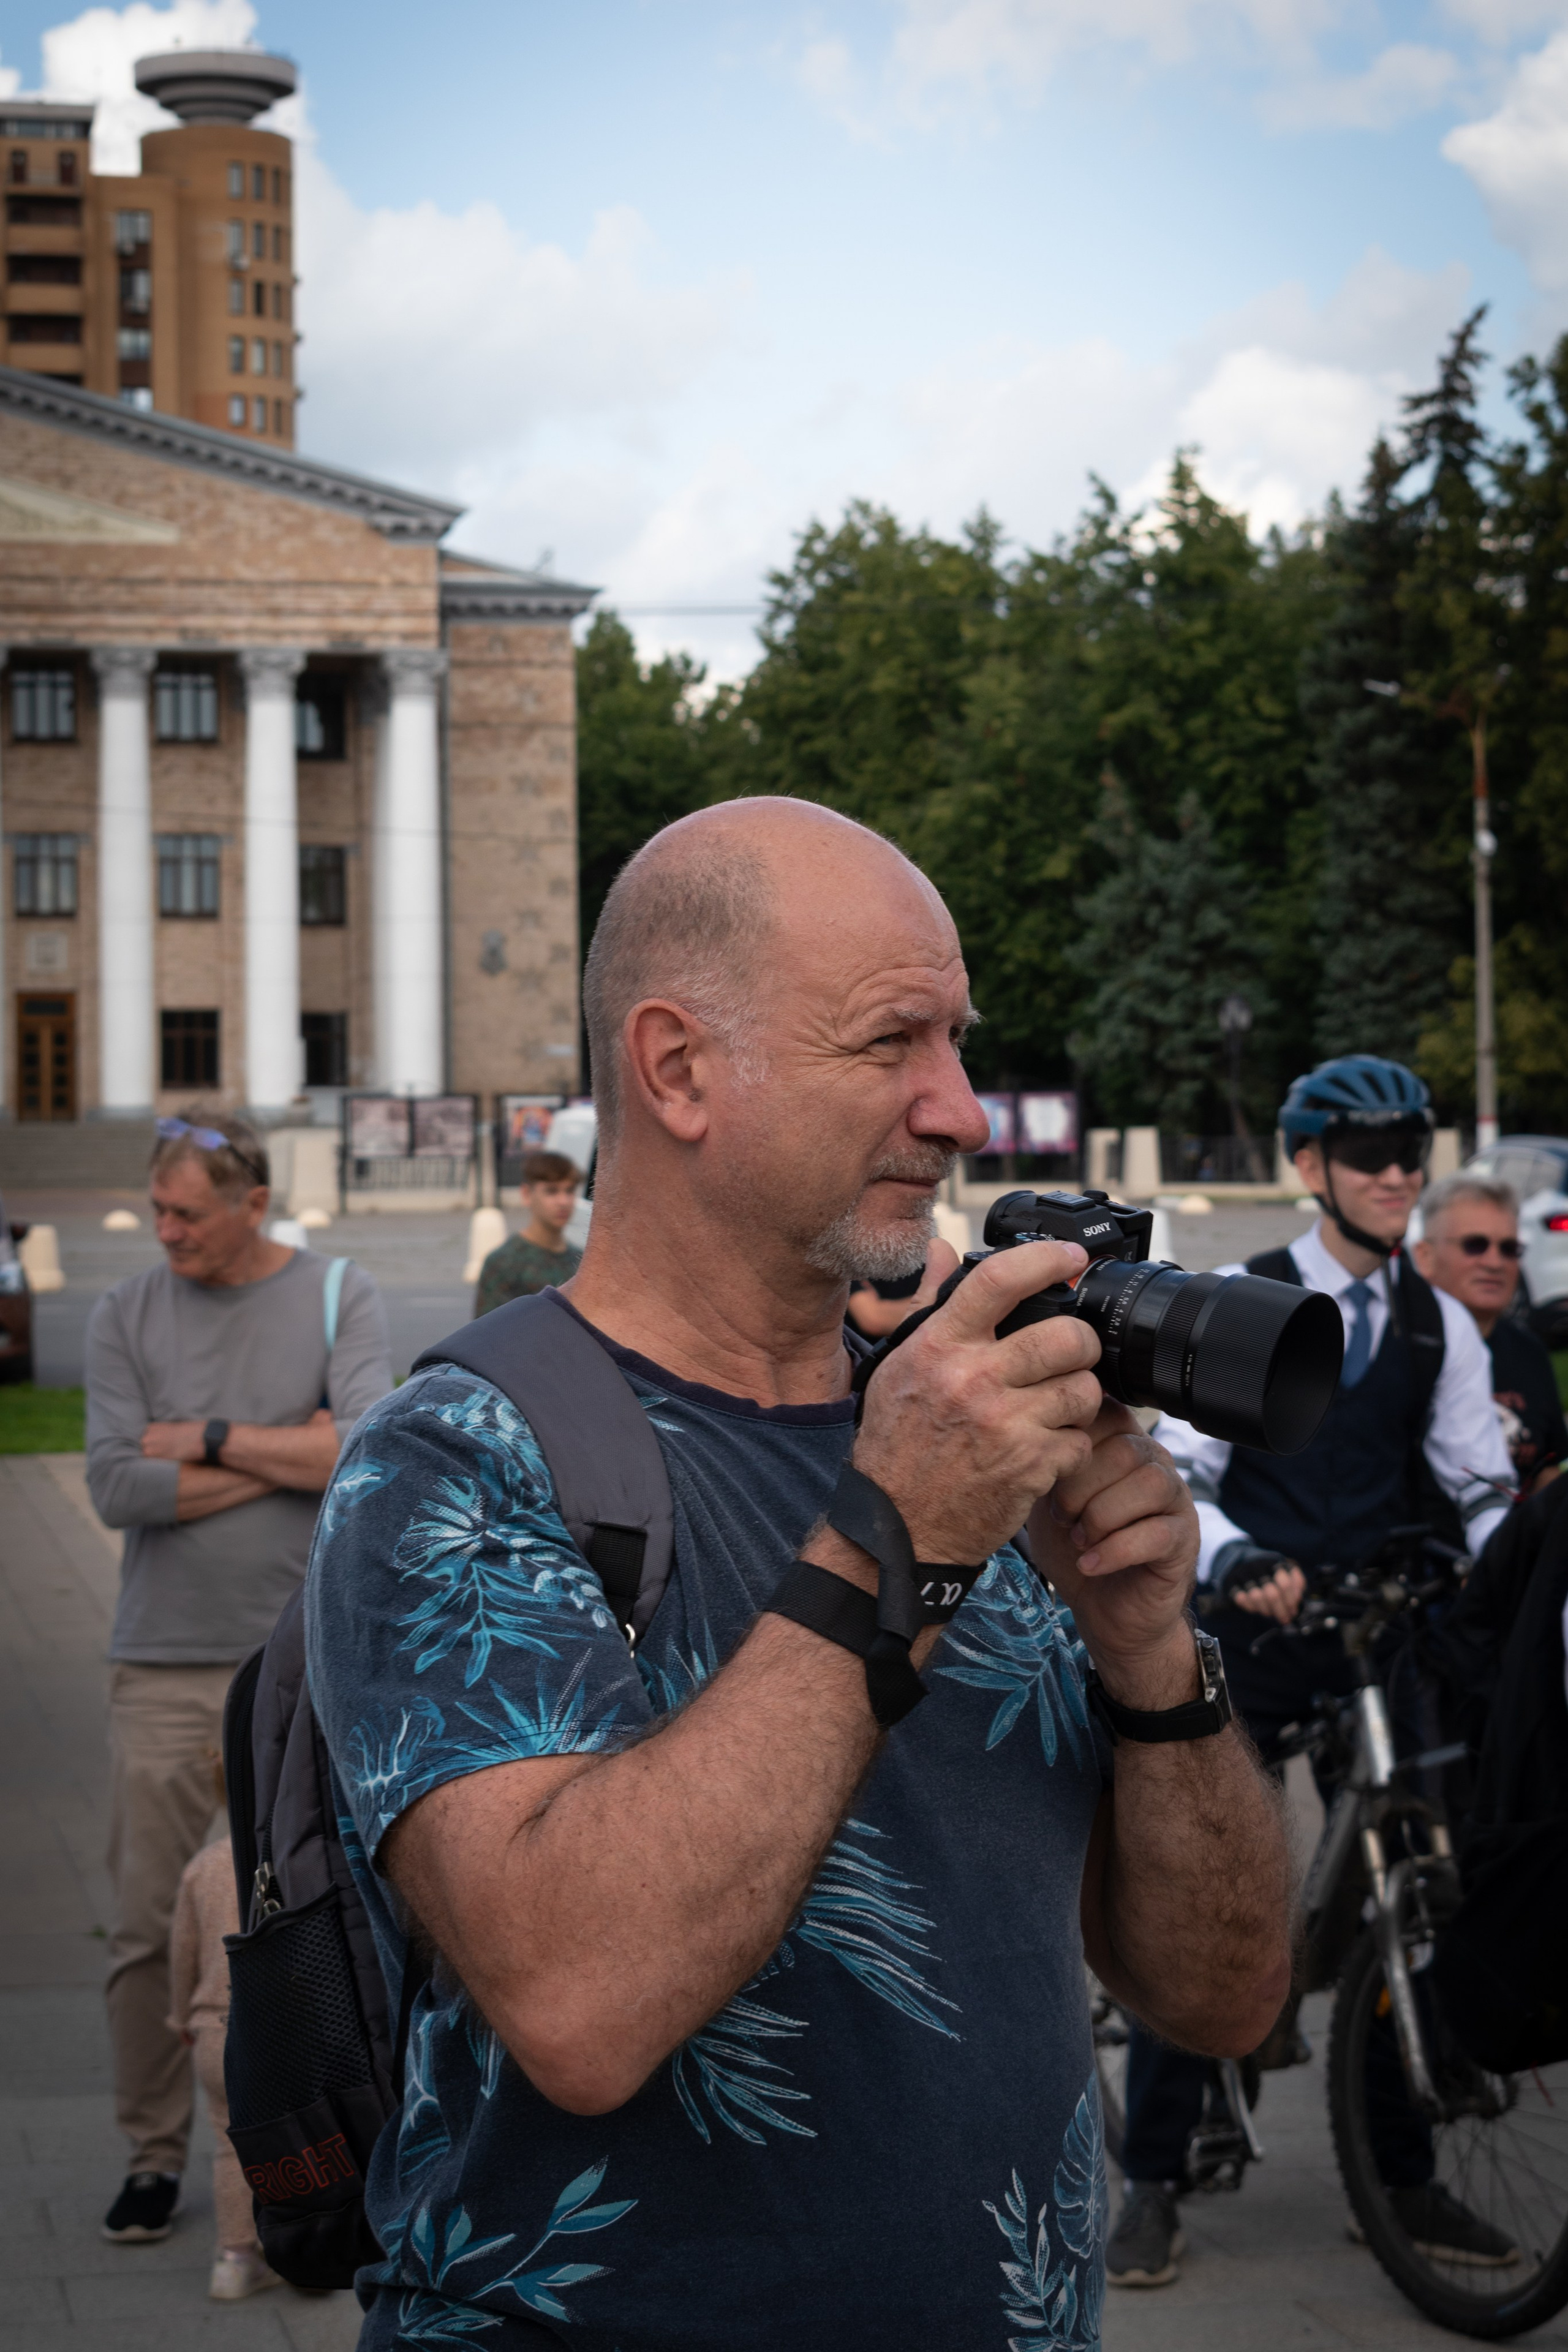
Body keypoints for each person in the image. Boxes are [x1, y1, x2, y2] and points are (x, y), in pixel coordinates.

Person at [307, 797, 1292, 2351]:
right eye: (894, 1042)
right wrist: (894, 1530)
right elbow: (577, 2004)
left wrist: (1150, 1651)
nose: (962, 1109)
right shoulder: (455, 1458)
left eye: (958, 1043)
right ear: (679, 1067)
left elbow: (1222, 2001)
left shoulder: (972, 1428)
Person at [1109, 1055, 1517, 2290]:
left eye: (1410, 1154)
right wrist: (1233, 1562)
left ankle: (1398, 2175)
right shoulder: (1242, 1297)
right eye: (1368, 1156)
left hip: (1379, 1627)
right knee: (1205, 1888)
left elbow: (1475, 1482)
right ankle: (1152, 2177)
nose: (1397, 1176)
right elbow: (1183, 1473)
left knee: (1428, 1881)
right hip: (1260, 1628)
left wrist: (1504, 1573)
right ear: (1307, 1169)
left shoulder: (1432, 1316)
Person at [86, 1114, 393, 2248]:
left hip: (304, 1665)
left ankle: (339, 2146)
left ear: (252, 1205)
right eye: (156, 1211)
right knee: (141, 1925)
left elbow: (363, 1448)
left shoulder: (336, 1296)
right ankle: (153, 2157)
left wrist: (201, 1437)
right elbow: (117, 1485)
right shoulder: (126, 1311)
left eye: (186, 1214)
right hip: (162, 1660)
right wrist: (281, 1449)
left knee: (317, 1914)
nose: (164, 1232)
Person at [168, 1826, 282, 2302]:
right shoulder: (299, 1858)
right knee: (303, 2138)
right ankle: (306, 2244)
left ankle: (234, 2261)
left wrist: (180, 2015)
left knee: (229, 2143)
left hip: (216, 2026)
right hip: (286, 2029)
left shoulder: (206, 1863)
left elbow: (182, 1952)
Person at [1413, 1171, 1566, 1492]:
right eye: (1475, 1245)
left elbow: (1546, 1470)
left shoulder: (1529, 1351)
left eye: (1509, 1248)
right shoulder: (1400, 1347)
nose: (1495, 1262)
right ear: (1425, 1257)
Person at [473, 1148, 584, 1317]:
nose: (564, 1201)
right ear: (526, 1194)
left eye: (569, 1191)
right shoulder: (505, 1262)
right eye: (552, 1191)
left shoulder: (581, 1261)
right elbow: (487, 1336)